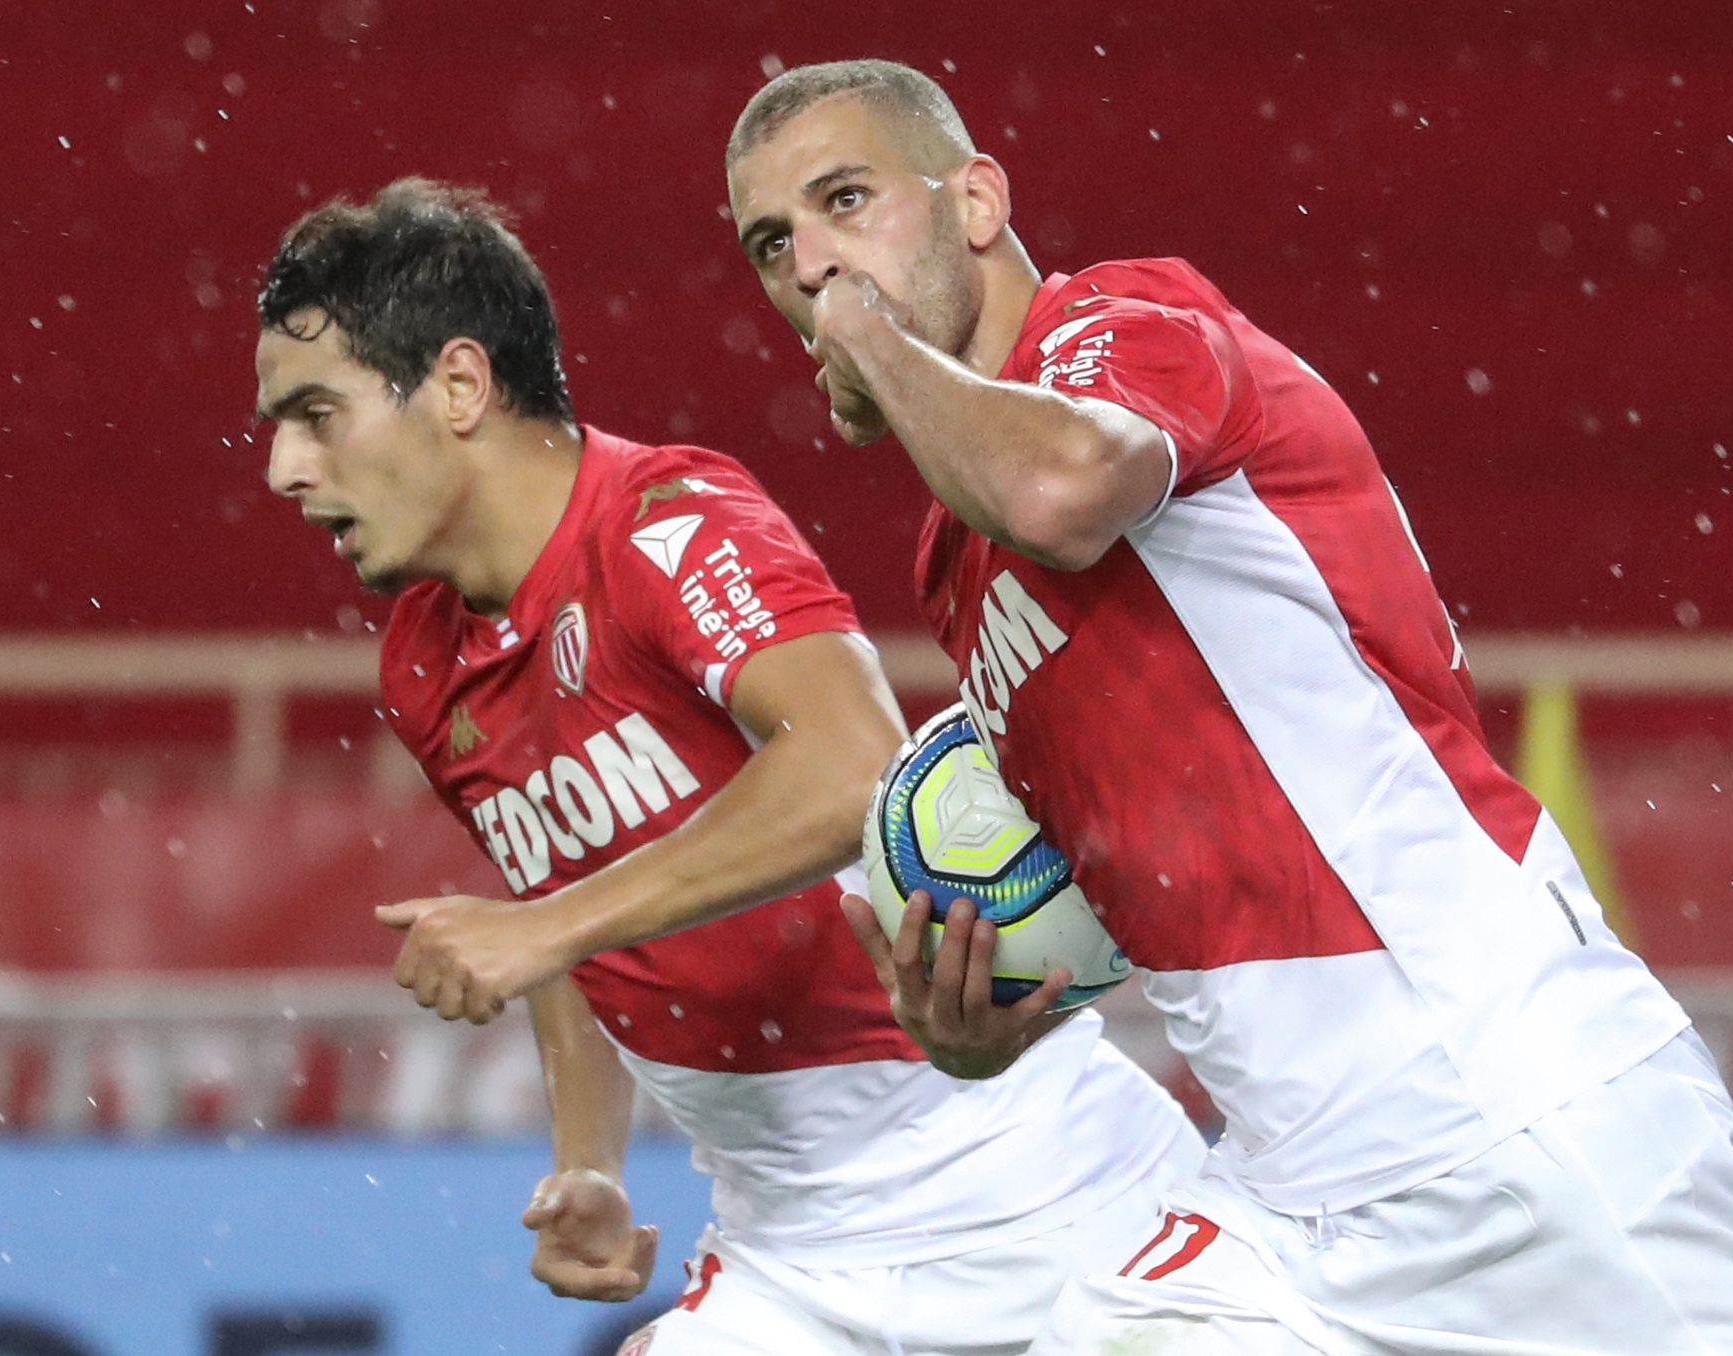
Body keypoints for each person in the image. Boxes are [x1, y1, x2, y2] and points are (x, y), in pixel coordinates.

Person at [720, 60, 1733, 1355]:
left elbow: (1062, 491)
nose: (811, 267)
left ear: (976, 202)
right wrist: (983, 1024)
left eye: (845, 201)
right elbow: (1144, 873)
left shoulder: (1127, 321)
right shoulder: (953, 564)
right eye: (772, 245)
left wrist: (873, 337)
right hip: (1286, 1194)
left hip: (1503, 1104)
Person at [252, 178, 1202, 1355]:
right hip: (792, 1253)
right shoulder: (422, 663)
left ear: (458, 386)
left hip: (1042, 1187)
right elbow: (569, 913)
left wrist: (546, 928)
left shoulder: (667, 521)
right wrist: (589, 1162)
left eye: (316, 413)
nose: (284, 467)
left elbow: (852, 766)